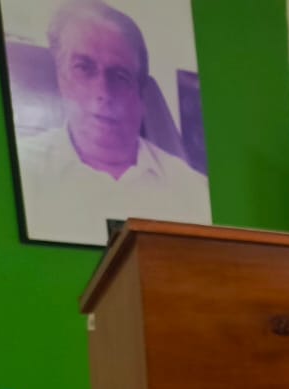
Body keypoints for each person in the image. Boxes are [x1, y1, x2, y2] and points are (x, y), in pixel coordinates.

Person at [16, 0, 210, 245]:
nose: (103, 92)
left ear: (140, 96)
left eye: (120, 76)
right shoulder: (25, 170)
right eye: (83, 68)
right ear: (60, 77)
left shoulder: (193, 190)